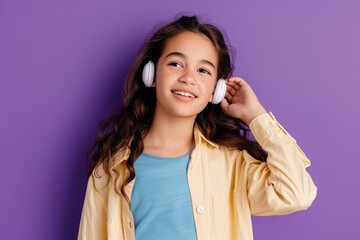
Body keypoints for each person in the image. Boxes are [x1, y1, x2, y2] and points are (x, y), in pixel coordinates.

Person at [77, 15, 317, 240]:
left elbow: (295, 194)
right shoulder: (111, 168)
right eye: (175, 64)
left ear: (216, 90)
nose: (188, 78)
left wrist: (256, 115)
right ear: (151, 74)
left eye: (203, 70)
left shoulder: (232, 165)